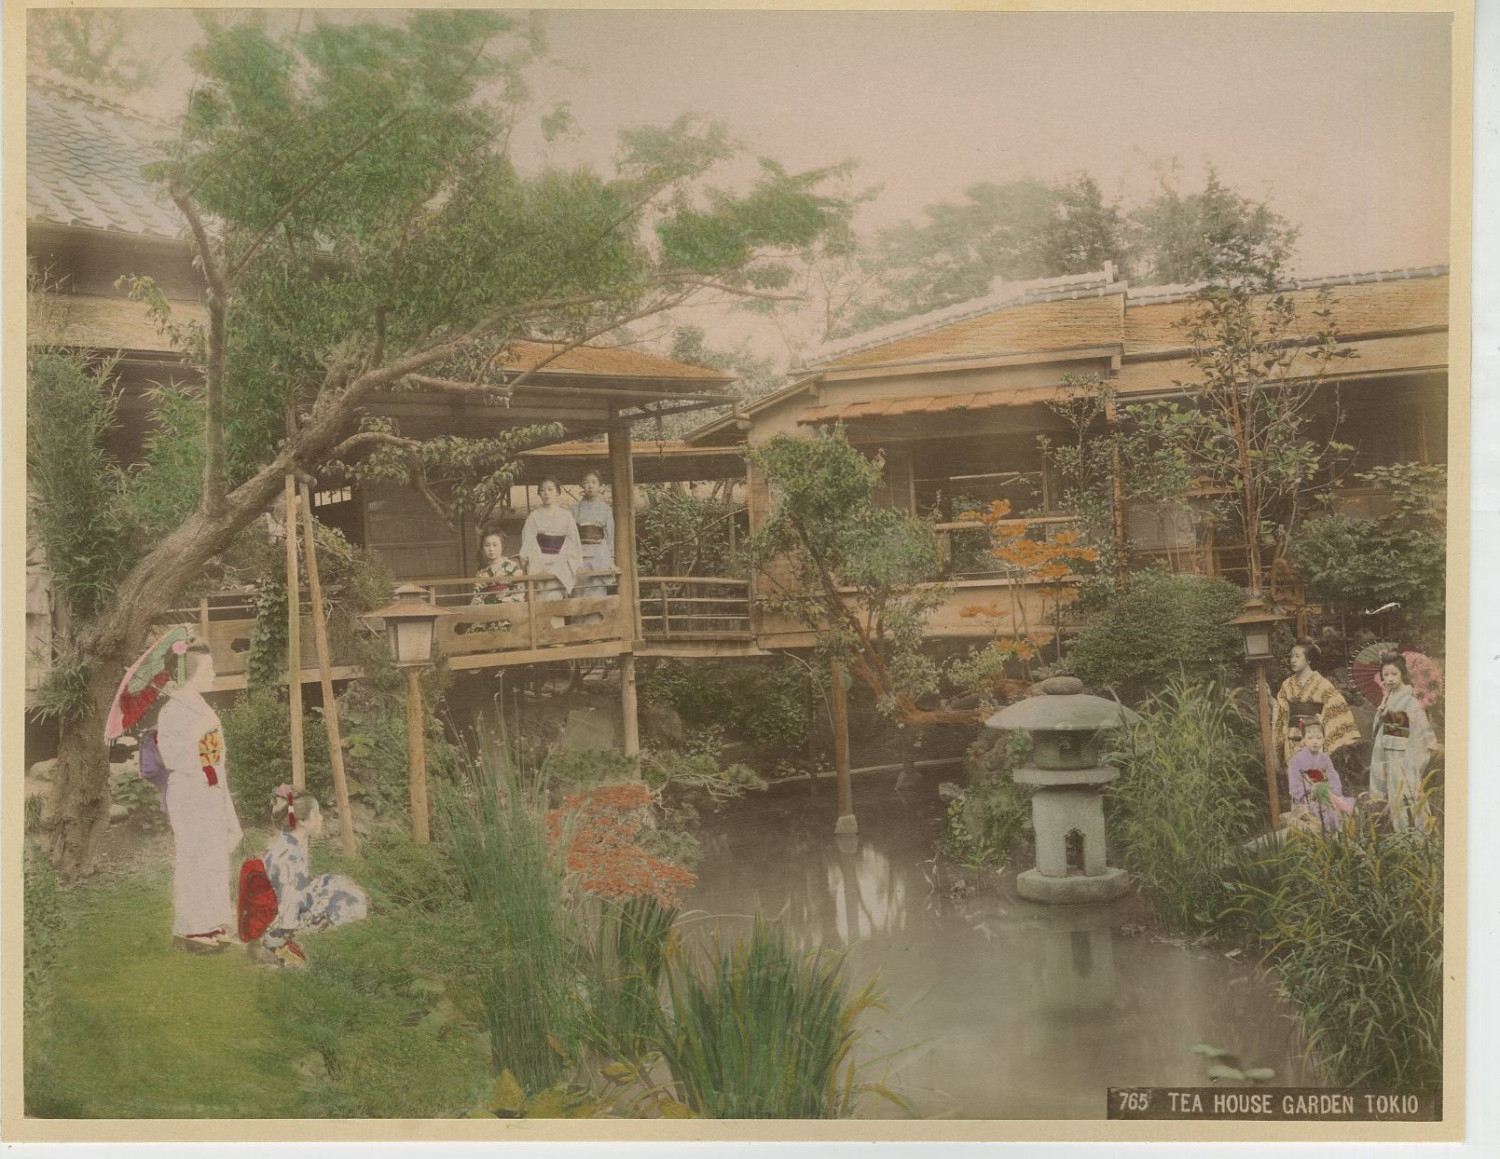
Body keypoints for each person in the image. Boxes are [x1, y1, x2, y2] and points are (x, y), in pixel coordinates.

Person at [156, 638, 243, 953]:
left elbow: (216, 757)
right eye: (209, 668)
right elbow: (171, 758)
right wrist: (196, 730)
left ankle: (213, 923)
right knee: (195, 856)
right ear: (192, 672)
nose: (215, 674)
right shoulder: (173, 710)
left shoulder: (198, 705)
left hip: (209, 788)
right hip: (190, 792)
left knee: (213, 857)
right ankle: (192, 930)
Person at [247, 787, 369, 969]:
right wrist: (281, 939)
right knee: (347, 895)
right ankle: (283, 951)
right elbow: (287, 899)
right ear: (302, 821)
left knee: (335, 883)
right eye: (316, 814)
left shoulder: (286, 843)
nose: (320, 818)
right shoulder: (290, 855)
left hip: (275, 913)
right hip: (278, 923)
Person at [1369, 651, 1437, 833]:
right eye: (1386, 675)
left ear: (1402, 674)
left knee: (1410, 793)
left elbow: (1421, 727)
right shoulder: (1387, 698)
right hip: (1389, 753)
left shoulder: (1410, 700)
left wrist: (1390, 716)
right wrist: (1381, 715)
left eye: (1394, 674)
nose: (1389, 679)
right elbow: (1377, 730)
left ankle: (1421, 833)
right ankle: (1403, 834)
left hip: (1406, 753)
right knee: (1395, 796)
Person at [1272, 637, 1360, 767]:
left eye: (1297, 656)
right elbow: (1281, 710)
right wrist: (1268, 697)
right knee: (1296, 776)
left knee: (1315, 776)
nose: (1293, 660)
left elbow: (1336, 705)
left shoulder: (1322, 683)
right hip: (1293, 736)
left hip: (1313, 735)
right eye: (1291, 656)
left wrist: (1321, 719)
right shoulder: (1287, 684)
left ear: (1308, 659)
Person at [519, 477, 582, 626]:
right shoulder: (533, 517)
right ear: (539, 494)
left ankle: (556, 637)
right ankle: (541, 638)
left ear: (557, 492)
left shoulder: (566, 516)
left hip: (560, 565)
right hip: (539, 564)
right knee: (540, 602)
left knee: (556, 601)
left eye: (550, 489)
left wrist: (560, 565)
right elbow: (528, 544)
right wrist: (537, 565)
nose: (546, 493)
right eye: (542, 490)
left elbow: (573, 543)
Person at [1284, 719, 1354, 833]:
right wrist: (1312, 790)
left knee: (1339, 808)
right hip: (1306, 798)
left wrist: (1330, 790)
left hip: (1324, 794)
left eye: (1318, 738)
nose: (1315, 742)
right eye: (1310, 738)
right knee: (1316, 812)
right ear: (1303, 740)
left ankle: (1333, 838)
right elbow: (1294, 785)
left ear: (1324, 739)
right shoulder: (1295, 760)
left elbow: (1333, 777)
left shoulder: (1325, 758)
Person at [572, 470, 616, 625]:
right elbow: (571, 537)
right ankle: (579, 633)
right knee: (579, 594)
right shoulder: (575, 509)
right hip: (580, 555)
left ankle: (596, 632)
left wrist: (611, 559)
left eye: (594, 482)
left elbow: (610, 535)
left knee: (597, 594)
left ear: (600, 485)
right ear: (581, 485)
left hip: (599, 556)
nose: (590, 486)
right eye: (586, 482)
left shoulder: (605, 509)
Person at [470, 528, 525, 633]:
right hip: (487, 609)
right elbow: (477, 594)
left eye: (495, 545)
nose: (491, 549)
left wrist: (502, 601)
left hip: (507, 607)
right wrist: (484, 603)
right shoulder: (482, 573)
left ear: (502, 546)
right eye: (487, 545)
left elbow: (520, 591)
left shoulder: (512, 567)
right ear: (482, 548)